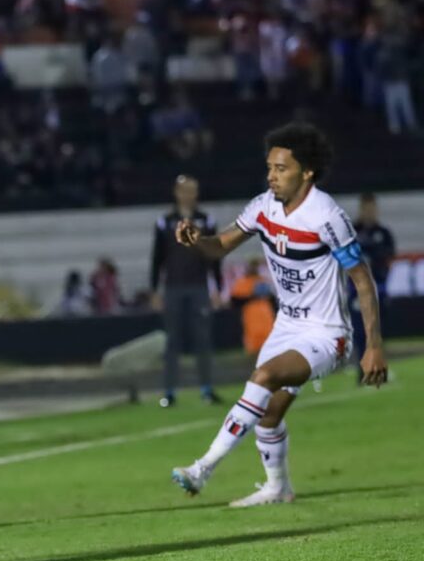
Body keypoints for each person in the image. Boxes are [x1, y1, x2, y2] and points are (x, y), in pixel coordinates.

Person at [170, 122, 388, 507]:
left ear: (307, 172)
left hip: (327, 334)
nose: (272, 176)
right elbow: (220, 246)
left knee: (264, 376)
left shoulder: (327, 217)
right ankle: (278, 487)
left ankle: (202, 468)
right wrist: (195, 241)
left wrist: (373, 346)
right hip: (286, 325)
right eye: (269, 167)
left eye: (281, 169)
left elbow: (363, 281)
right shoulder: (263, 207)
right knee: (269, 414)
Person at [150, 175, 224, 407]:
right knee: (172, 341)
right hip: (173, 287)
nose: (188, 195)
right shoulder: (165, 222)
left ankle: (206, 389)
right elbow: (157, 258)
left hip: (199, 286)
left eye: (192, 191)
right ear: (176, 193)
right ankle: (170, 391)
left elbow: (214, 256)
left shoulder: (206, 220)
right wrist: (155, 290)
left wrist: (218, 288)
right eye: (184, 191)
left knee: (203, 339)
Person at [351, 193, 395, 379]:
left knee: (378, 329)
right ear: (361, 209)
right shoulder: (352, 230)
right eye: (366, 208)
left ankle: (377, 366)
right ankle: (363, 369)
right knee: (360, 331)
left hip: (379, 289)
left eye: (372, 208)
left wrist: (373, 251)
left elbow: (389, 254)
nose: (369, 212)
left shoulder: (383, 232)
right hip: (357, 291)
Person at [230, 258, 275, 357]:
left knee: (269, 347)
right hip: (251, 318)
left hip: (266, 319)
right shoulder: (242, 282)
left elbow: (272, 299)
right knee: (253, 348)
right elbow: (235, 301)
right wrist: (253, 296)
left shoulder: (262, 281)